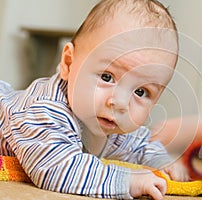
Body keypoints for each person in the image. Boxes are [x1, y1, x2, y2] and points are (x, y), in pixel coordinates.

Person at [0, 0, 189, 199]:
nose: (120, 103)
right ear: (68, 63)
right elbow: (57, 169)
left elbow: (142, 145)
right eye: (107, 77)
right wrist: (127, 181)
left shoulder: (116, 124)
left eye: (141, 92)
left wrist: (163, 164)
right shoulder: (44, 111)